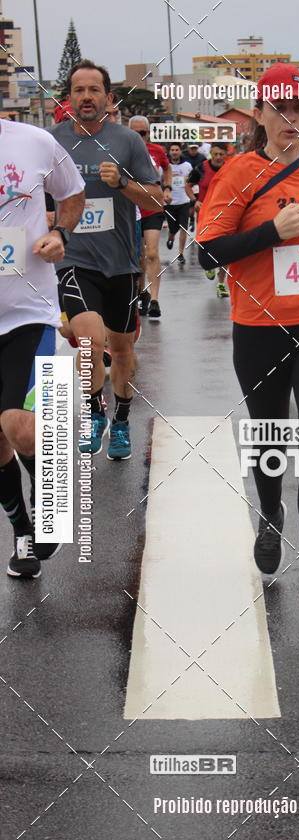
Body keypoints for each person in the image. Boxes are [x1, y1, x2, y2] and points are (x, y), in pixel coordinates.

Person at [196, 63, 299, 603]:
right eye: (279, 108)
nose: (290, 118)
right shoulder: (239, 173)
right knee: (269, 434)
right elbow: (206, 253)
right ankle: (270, 512)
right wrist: (270, 231)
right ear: (262, 115)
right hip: (258, 326)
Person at [53, 61, 162, 460]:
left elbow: (156, 199)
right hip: (75, 260)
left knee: (121, 350)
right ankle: (96, 408)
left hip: (121, 263)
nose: (86, 97)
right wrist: (52, 220)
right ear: (69, 98)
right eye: (78, 90)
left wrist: (124, 183)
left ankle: (121, 420)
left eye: (93, 90)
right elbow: (39, 199)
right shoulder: (53, 142)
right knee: (88, 339)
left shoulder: (127, 142)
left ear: (108, 98)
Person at [0, 119, 84, 577]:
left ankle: (54, 498)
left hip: (27, 313)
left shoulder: (33, 141)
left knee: (21, 428)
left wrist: (61, 234)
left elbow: (72, 195)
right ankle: (22, 532)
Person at [129, 115, 172, 316]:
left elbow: (167, 168)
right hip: (131, 208)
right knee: (139, 255)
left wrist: (168, 188)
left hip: (153, 207)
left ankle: (154, 299)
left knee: (152, 252)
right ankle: (141, 292)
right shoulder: (123, 150)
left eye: (143, 133)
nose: (139, 137)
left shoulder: (157, 150)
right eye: (135, 133)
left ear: (148, 133)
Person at [189, 142, 229, 297]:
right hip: (205, 214)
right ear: (211, 153)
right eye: (215, 154)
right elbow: (188, 184)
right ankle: (208, 265)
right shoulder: (201, 168)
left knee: (226, 250)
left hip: (225, 213)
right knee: (206, 245)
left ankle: (221, 284)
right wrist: (195, 200)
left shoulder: (230, 168)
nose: (218, 157)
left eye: (221, 154)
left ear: (225, 154)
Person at [164, 143, 194, 262]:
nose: (175, 152)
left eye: (177, 150)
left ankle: (180, 253)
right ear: (169, 152)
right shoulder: (165, 166)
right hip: (169, 202)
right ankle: (170, 238)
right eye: (172, 150)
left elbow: (192, 182)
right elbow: (160, 180)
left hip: (184, 201)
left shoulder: (187, 166)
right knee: (173, 228)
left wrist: (193, 198)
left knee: (183, 227)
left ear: (180, 152)